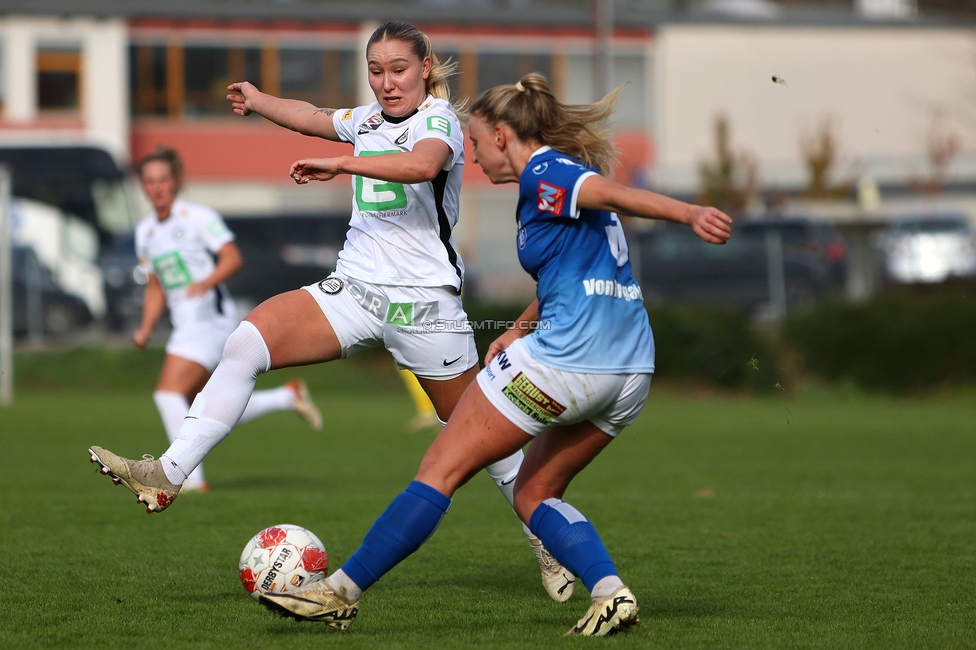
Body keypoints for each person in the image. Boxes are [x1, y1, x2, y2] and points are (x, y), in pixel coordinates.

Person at [88, 23, 573, 602]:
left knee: (483, 438)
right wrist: (259, 99)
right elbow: (313, 115)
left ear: (424, 67)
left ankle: (550, 542)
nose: (386, 82)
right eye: (376, 70)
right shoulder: (365, 121)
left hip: (424, 307)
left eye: (398, 69)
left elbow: (421, 166)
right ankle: (168, 474)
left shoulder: (437, 120)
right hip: (353, 292)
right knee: (246, 341)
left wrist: (343, 166)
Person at [257, 73, 734, 636]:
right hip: (630, 371)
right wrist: (518, 327)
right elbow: (570, 267)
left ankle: (337, 592)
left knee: (441, 467)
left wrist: (688, 214)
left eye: (479, 143)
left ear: (505, 135)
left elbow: (608, 193)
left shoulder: (545, 169)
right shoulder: (551, 180)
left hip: (569, 362)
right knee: (533, 491)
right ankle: (610, 592)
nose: (476, 158)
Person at [112, 148, 322, 494]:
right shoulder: (146, 232)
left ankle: (187, 477)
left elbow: (231, 257)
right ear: (143, 186)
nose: (157, 187)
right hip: (186, 324)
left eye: (163, 179)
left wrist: (205, 282)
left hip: (210, 318)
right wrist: (145, 327)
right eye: (150, 181)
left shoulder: (196, 216)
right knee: (209, 402)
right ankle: (286, 397)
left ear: (175, 181)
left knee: (167, 393)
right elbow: (155, 286)